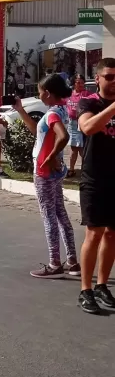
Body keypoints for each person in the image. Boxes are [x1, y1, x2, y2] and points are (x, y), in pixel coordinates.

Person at [13, 74, 79, 280]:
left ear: (48, 94)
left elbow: (63, 137)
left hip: (44, 171)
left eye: (40, 92)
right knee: (60, 213)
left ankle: (54, 263)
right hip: (54, 171)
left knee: (49, 216)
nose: (39, 95)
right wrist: (21, 111)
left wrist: (49, 157)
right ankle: (72, 260)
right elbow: (39, 134)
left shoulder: (52, 114)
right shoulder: (60, 111)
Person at [77, 57, 115, 314]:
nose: (113, 82)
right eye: (109, 77)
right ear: (98, 78)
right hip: (94, 179)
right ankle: (85, 289)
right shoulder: (89, 102)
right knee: (95, 232)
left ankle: (102, 285)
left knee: (112, 233)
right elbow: (88, 127)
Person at [66, 73, 90, 178]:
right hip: (72, 124)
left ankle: (86, 170)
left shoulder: (87, 94)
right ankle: (71, 169)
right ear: (74, 83)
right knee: (73, 148)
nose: (80, 84)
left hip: (82, 122)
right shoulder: (69, 94)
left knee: (82, 149)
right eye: (78, 82)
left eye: (82, 82)